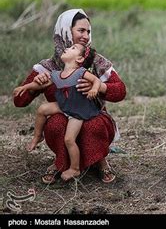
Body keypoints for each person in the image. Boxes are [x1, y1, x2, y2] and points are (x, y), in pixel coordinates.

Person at [13, 9, 126, 184]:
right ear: (65, 31)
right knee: (56, 124)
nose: (86, 36)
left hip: (90, 114)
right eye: (81, 30)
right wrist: (33, 86)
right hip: (63, 115)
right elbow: (19, 102)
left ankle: (100, 160)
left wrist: (99, 86)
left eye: (88, 31)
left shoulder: (94, 61)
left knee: (93, 125)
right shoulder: (48, 67)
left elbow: (120, 91)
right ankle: (60, 162)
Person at [13, 44, 101, 181]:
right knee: (42, 109)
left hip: (78, 111)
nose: (68, 48)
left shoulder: (81, 72)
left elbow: (96, 80)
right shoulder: (58, 74)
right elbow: (42, 84)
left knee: (69, 139)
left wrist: (94, 89)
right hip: (65, 106)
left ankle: (75, 168)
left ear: (79, 58)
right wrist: (25, 87)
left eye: (73, 48)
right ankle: (37, 136)